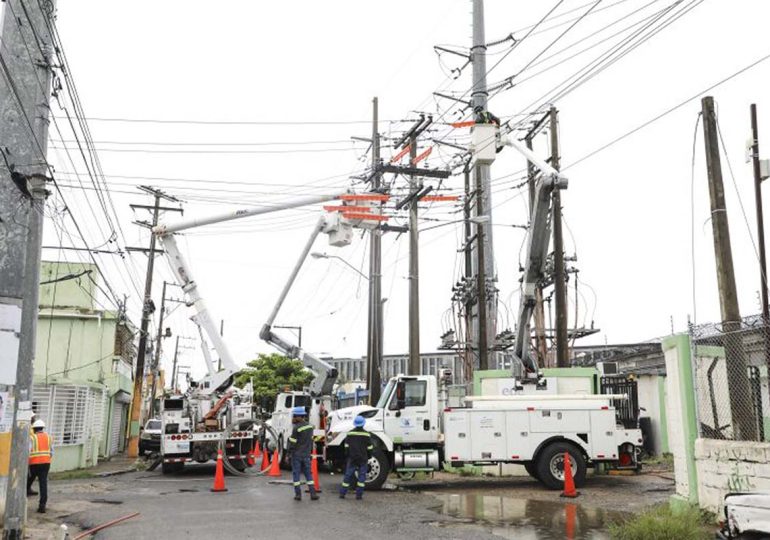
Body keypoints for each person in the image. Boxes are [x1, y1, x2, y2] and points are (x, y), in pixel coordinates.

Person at [286, 406, 318, 501]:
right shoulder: (310, 426)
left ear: (298, 416)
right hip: (306, 454)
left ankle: (298, 494)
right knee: (309, 474)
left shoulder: (296, 428)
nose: (293, 418)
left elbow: (292, 443)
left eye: (294, 416)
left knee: (296, 474)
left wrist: (288, 454)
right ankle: (313, 494)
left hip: (297, 455)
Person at [339, 415, 373, 500]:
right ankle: (359, 495)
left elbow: (346, 446)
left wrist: (347, 455)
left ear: (355, 424)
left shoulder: (350, 433)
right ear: (363, 424)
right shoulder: (367, 434)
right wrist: (369, 456)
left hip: (352, 458)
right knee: (362, 476)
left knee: (348, 475)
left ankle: (342, 493)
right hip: (363, 458)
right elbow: (370, 447)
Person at [27, 419, 52, 513]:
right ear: (42, 428)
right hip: (46, 463)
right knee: (43, 483)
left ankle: (22, 498)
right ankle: (42, 505)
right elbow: (51, 451)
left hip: (34, 463)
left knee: (29, 479)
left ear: (34, 429)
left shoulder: (32, 438)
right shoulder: (48, 437)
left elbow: (28, 451)